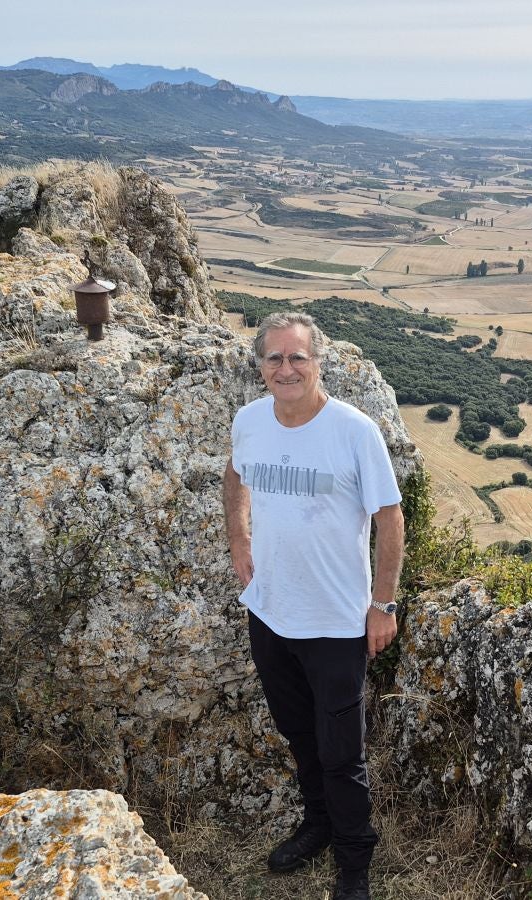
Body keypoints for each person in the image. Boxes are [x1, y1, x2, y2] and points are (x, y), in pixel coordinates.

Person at [223, 311, 404, 900]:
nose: (286, 368)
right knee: (299, 734)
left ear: (318, 363)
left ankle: (354, 863)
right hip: (270, 613)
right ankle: (318, 825)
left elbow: (389, 518)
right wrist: (239, 540)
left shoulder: (353, 431)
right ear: (260, 367)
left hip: (336, 623)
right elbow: (235, 477)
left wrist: (383, 604)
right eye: (274, 358)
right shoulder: (250, 420)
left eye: (297, 357)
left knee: (341, 754)